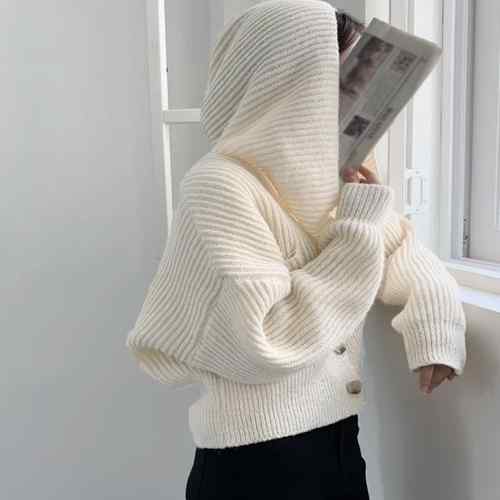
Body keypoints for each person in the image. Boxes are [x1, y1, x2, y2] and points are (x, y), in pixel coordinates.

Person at [125, 2, 467, 499]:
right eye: (337, 81)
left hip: (338, 443)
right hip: (254, 463)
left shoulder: (326, 185)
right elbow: (267, 339)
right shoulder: (220, 187)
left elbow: (403, 253)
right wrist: (357, 227)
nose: (349, 99)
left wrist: (435, 328)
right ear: (284, 85)